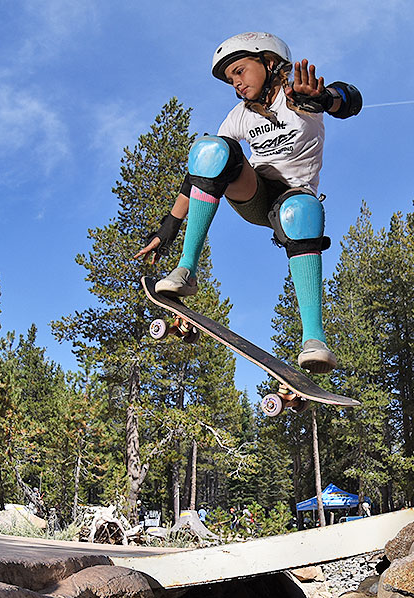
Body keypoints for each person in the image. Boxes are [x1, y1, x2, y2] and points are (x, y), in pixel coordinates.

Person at [136, 32, 362, 373]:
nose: (236, 84)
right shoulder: (240, 115)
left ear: (269, 63)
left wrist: (327, 99)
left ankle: (314, 339)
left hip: (290, 201)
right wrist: (170, 226)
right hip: (254, 196)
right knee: (210, 148)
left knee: (302, 210)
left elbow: (349, 99)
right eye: (230, 79)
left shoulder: (300, 97)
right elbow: (204, 167)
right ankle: (187, 269)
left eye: (240, 71)